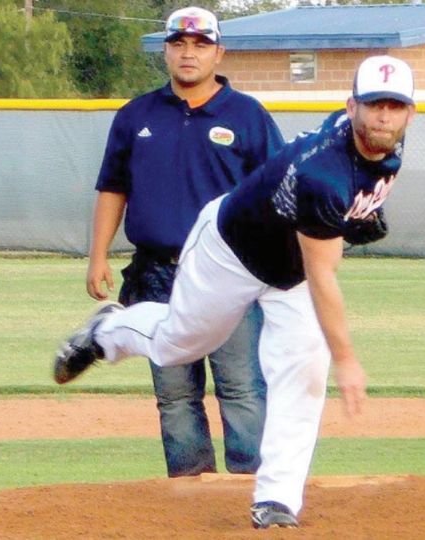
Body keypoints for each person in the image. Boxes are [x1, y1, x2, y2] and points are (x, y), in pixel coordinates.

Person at [55, 54, 417, 529]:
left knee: (304, 368)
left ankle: (277, 499)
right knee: (177, 344)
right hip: (230, 251)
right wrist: (347, 357)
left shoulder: (385, 144)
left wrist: (354, 217)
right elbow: (324, 273)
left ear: (411, 112)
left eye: (395, 105)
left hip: (289, 269)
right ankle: (109, 329)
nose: (384, 116)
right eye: (374, 105)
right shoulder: (323, 177)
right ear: (351, 108)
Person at [85, 6, 285, 478]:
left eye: (199, 44)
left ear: (219, 52)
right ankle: (188, 492)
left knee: (241, 387)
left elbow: (277, 193)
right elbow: (113, 187)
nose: (188, 53)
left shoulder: (248, 116)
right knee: (174, 392)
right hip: (158, 270)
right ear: (166, 51)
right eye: (178, 44)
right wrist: (97, 256)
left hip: (228, 273)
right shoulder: (137, 115)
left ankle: (251, 488)